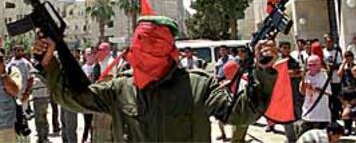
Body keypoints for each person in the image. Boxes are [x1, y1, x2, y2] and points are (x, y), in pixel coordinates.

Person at [32, 15, 279, 142]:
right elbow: (73, 99)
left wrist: (264, 71)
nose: (142, 51)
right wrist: (49, 64)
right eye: (140, 42)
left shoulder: (199, 86)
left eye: (152, 44)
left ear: (170, 50)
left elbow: (241, 113)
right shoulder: (120, 88)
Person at [299, 55, 332, 136]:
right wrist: (303, 80)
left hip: (321, 114)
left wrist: (316, 89)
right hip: (308, 112)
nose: (312, 67)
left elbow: (328, 92)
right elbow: (302, 92)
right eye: (310, 65)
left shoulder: (323, 76)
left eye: (314, 65)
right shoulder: (306, 75)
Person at [7, 45, 34, 139]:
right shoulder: (10, 64)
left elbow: (30, 79)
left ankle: (24, 136)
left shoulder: (26, 64)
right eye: (17, 50)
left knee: (22, 116)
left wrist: (27, 93)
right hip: (12, 95)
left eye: (20, 50)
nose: (19, 52)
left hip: (22, 95)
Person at [280, 41, 303, 142]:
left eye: (288, 48)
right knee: (286, 117)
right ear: (280, 48)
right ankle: (290, 138)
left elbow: (300, 72)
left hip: (295, 93)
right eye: (284, 48)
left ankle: (299, 136)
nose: (286, 50)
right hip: (283, 94)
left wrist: (291, 73)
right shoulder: (278, 61)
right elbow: (280, 74)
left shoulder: (293, 60)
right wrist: (290, 73)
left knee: (299, 114)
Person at [338, 50, 356, 135]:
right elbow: (339, 74)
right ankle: (347, 127)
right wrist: (343, 64)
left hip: (354, 92)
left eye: (349, 57)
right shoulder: (343, 68)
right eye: (346, 57)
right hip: (345, 92)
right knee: (345, 110)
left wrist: (351, 65)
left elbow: (355, 74)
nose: (348, 59)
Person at [323, 34, 342, 122]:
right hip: (326, 80)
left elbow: (340, 64)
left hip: (335, 80)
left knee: (336, 98)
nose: (329, 43)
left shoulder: (337, 53)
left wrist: (332, 67)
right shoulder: (323, 52)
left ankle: (336, 115)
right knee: (328, 99)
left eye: (330, 41)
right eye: (327, 42)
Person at [31, 68, 50, 143]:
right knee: (44, 117)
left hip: (38, 100)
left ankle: (41, 137)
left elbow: (31, 88)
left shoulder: (36, 80)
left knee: (39, 119)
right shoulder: (45, 79)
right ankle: (45, 135)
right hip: (45, 99)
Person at [81, 48, 95, 143]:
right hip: (86, 98)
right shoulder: (83, 68)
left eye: (91, 54)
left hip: (95, 98)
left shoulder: (97, 66)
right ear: (85, 56)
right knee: (87, 121)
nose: (90, 56)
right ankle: (85, 137)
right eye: (88, 54)